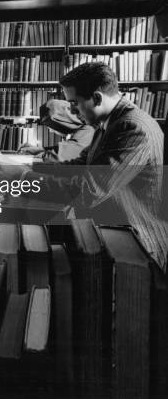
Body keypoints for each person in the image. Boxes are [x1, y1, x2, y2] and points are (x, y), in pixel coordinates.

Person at [10, 62, 168, 270]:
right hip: (111, 225)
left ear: (97, 98)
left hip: (136, 244)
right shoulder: (109, 122)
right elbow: (79, 164)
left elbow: (88, 190)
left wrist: (23, 179)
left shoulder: (132, 127)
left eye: (74, 103)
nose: (73, 112)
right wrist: (32, 168)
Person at [18, 99, 94, 162]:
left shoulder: (87, 131)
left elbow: (58, 158)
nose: (51, 131)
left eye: (51, 127)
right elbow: (63, 149)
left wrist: (39, 155)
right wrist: (40, 149)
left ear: (61, 124)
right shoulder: (82, 130)